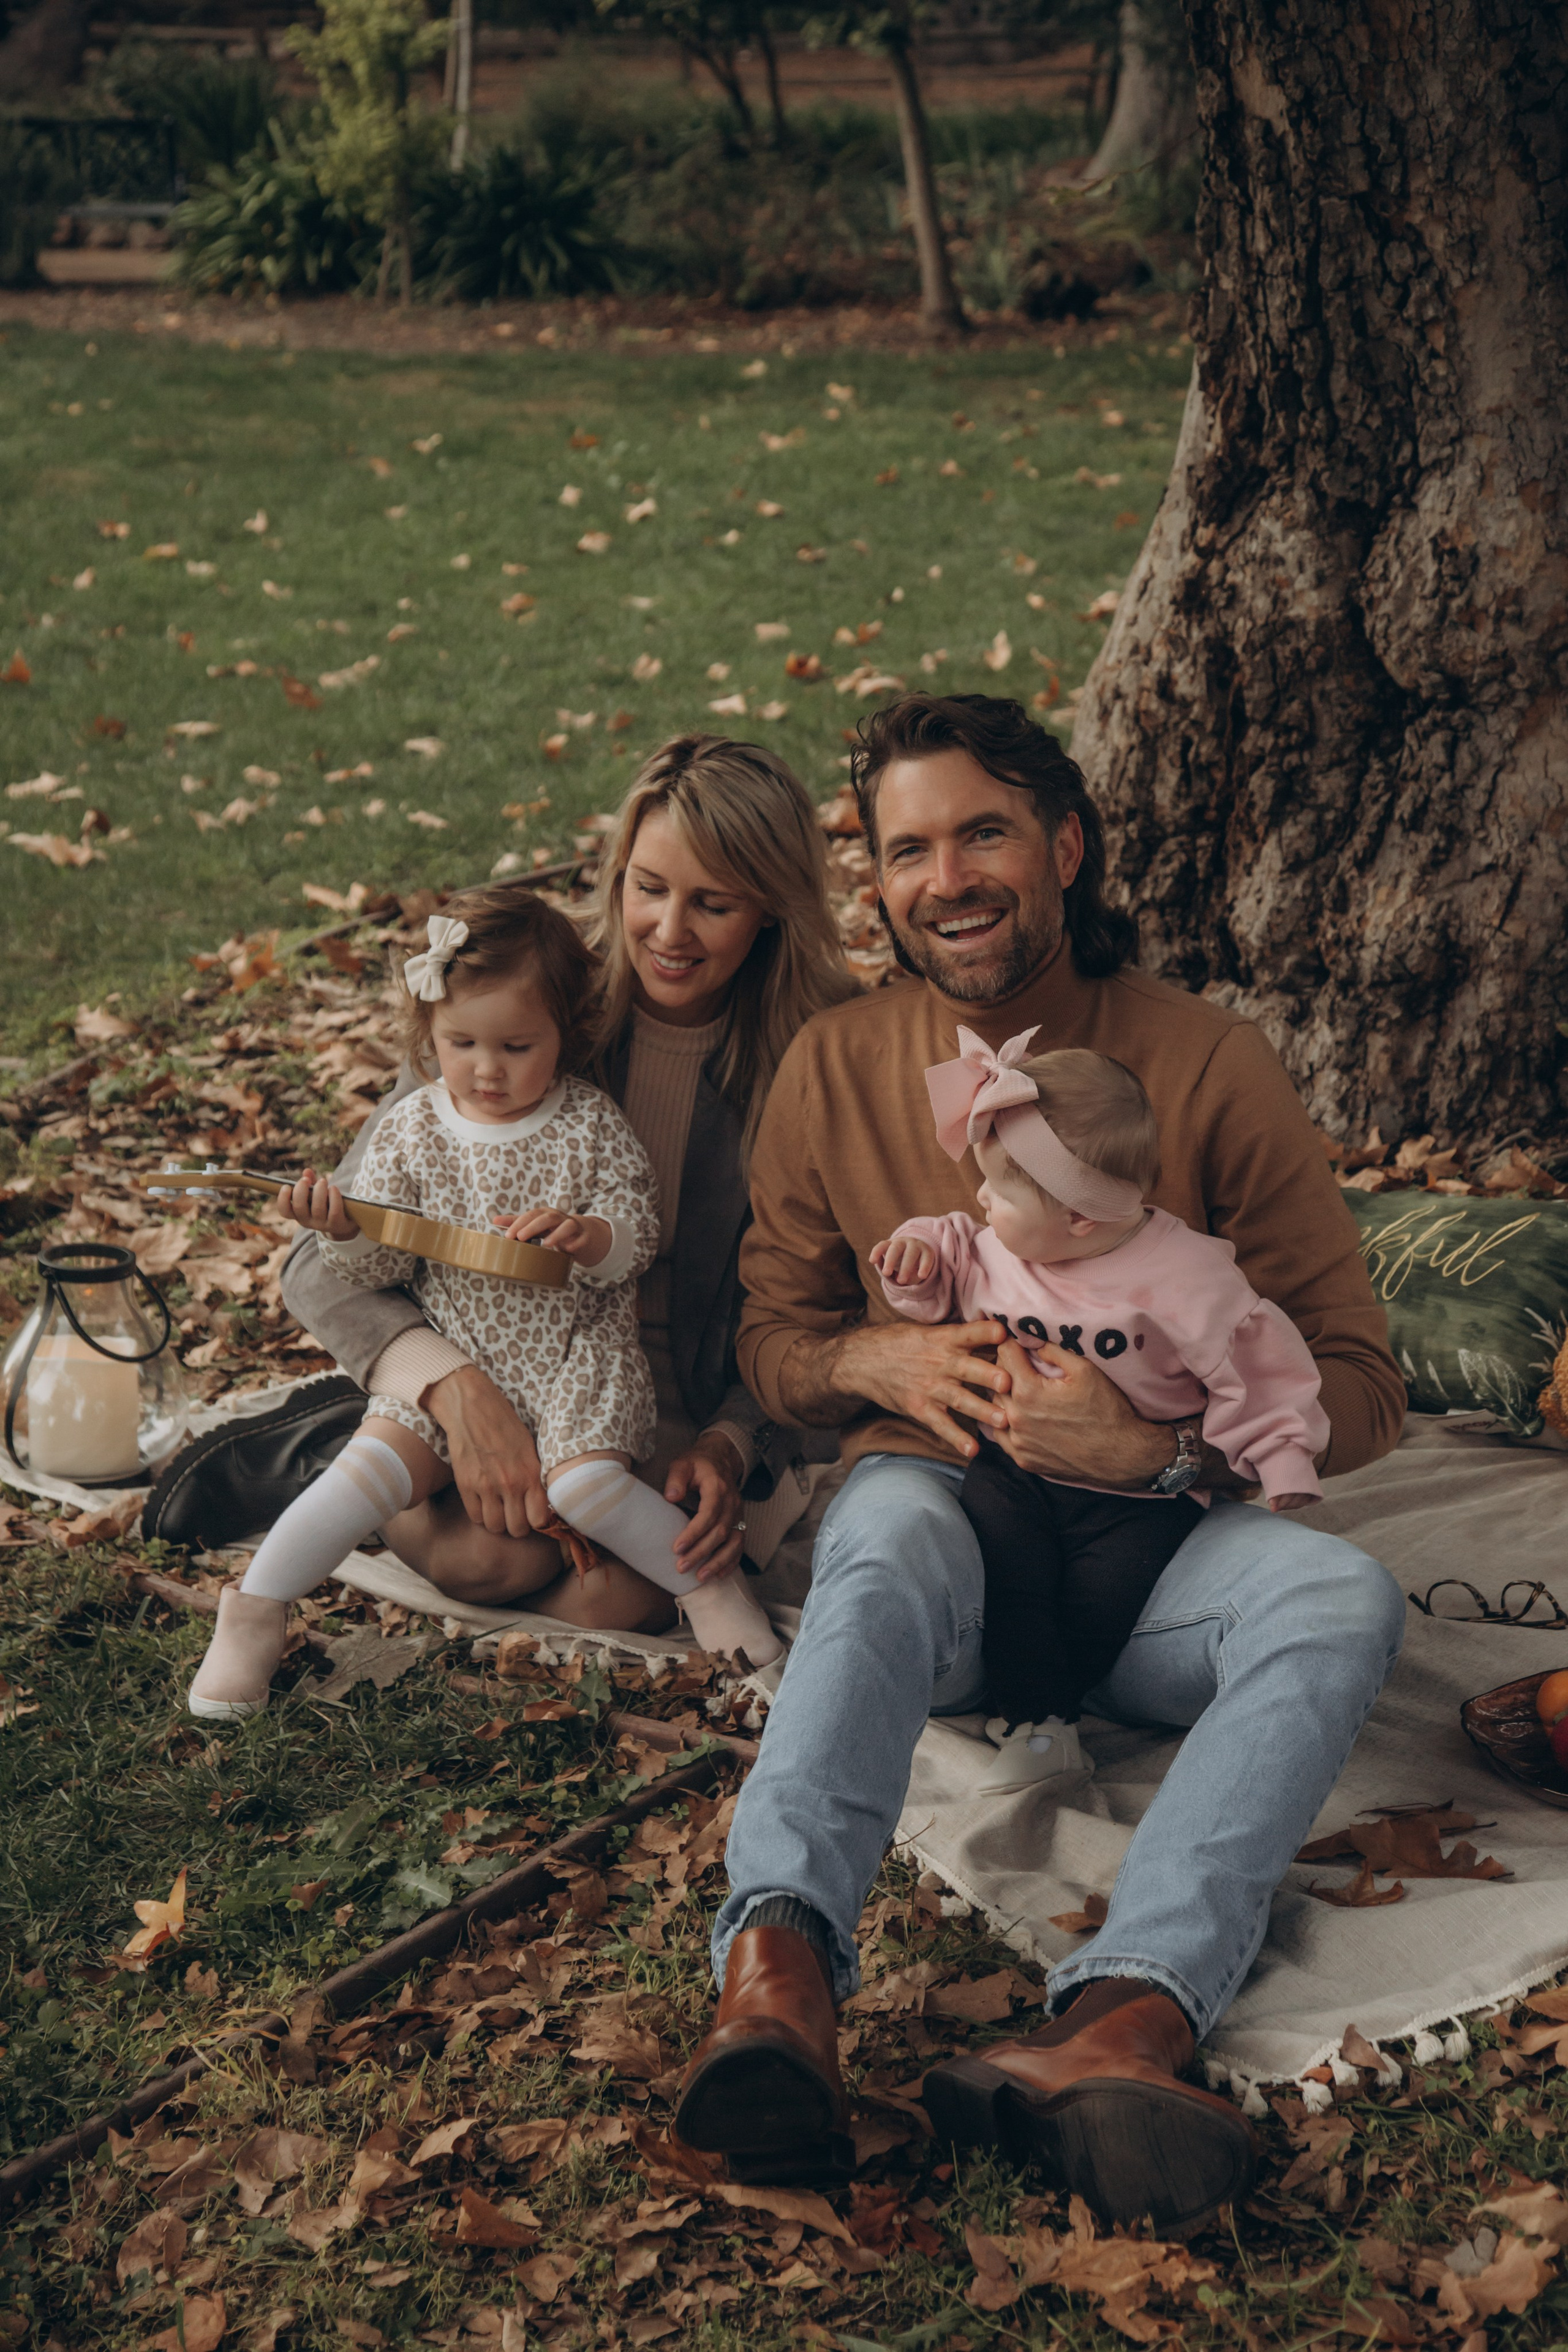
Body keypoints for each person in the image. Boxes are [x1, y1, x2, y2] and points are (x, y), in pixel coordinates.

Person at [672, 693, 1407, 2233]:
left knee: (1339, 1597)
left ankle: (1123, 2014)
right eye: (909, 848)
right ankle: (779, 1979)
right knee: (878, 1536)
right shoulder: (835, 1062)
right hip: (943, 1544)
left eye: (984, 831)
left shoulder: (1206, 1063)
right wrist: (867, 1358)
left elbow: (1355, 1379)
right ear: (876, 883)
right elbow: (775, 1338)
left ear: (1063, 844)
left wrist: (1167, 1439)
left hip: (1160, 1554)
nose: (949, 876)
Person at [266, 735, 854, 1634]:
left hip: (676, 1399)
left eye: (714, 904)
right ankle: (384, 1469)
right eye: (648, 887)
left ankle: (398, 1486)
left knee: (621, 1593)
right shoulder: (528, 999)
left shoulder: (817, 1049)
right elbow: (319, 1257)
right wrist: (460, 1395)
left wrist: (733, 1446)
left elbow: (822, 1302)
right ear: (617, 873)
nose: (668, 931)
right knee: (489, 1557)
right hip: (495, 1359)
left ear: (771, 910)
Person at [187, 886, 783, 1718]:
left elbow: (635, 1228)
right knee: (363, 1473)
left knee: (583, 1491)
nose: (487, 1069)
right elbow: (376, 1263)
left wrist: (589, 1236)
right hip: (459, 1344)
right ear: (429, 1038)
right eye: (460, 1043)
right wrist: (347, 1233)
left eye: (516, 1045)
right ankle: (254, 1609)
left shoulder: (587, 1124)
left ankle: (710, 1587)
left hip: (571, 1354)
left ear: (566, 1037)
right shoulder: (413, 1129)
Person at [873, 1035, 1327, 1794]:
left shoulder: (1185, 1277)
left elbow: (1259, 1363)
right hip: (1012, 1468)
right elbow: (949, 1258)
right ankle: (1035, 1721)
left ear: (1080, 1218)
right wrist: (916, 1258)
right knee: (1011, 1573)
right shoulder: (1001, 1249)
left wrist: (1283, 1455)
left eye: (999, 1192)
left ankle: (1056, 1709)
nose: (980, 1201)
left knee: (1098, 1602)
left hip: (1136, 1500)